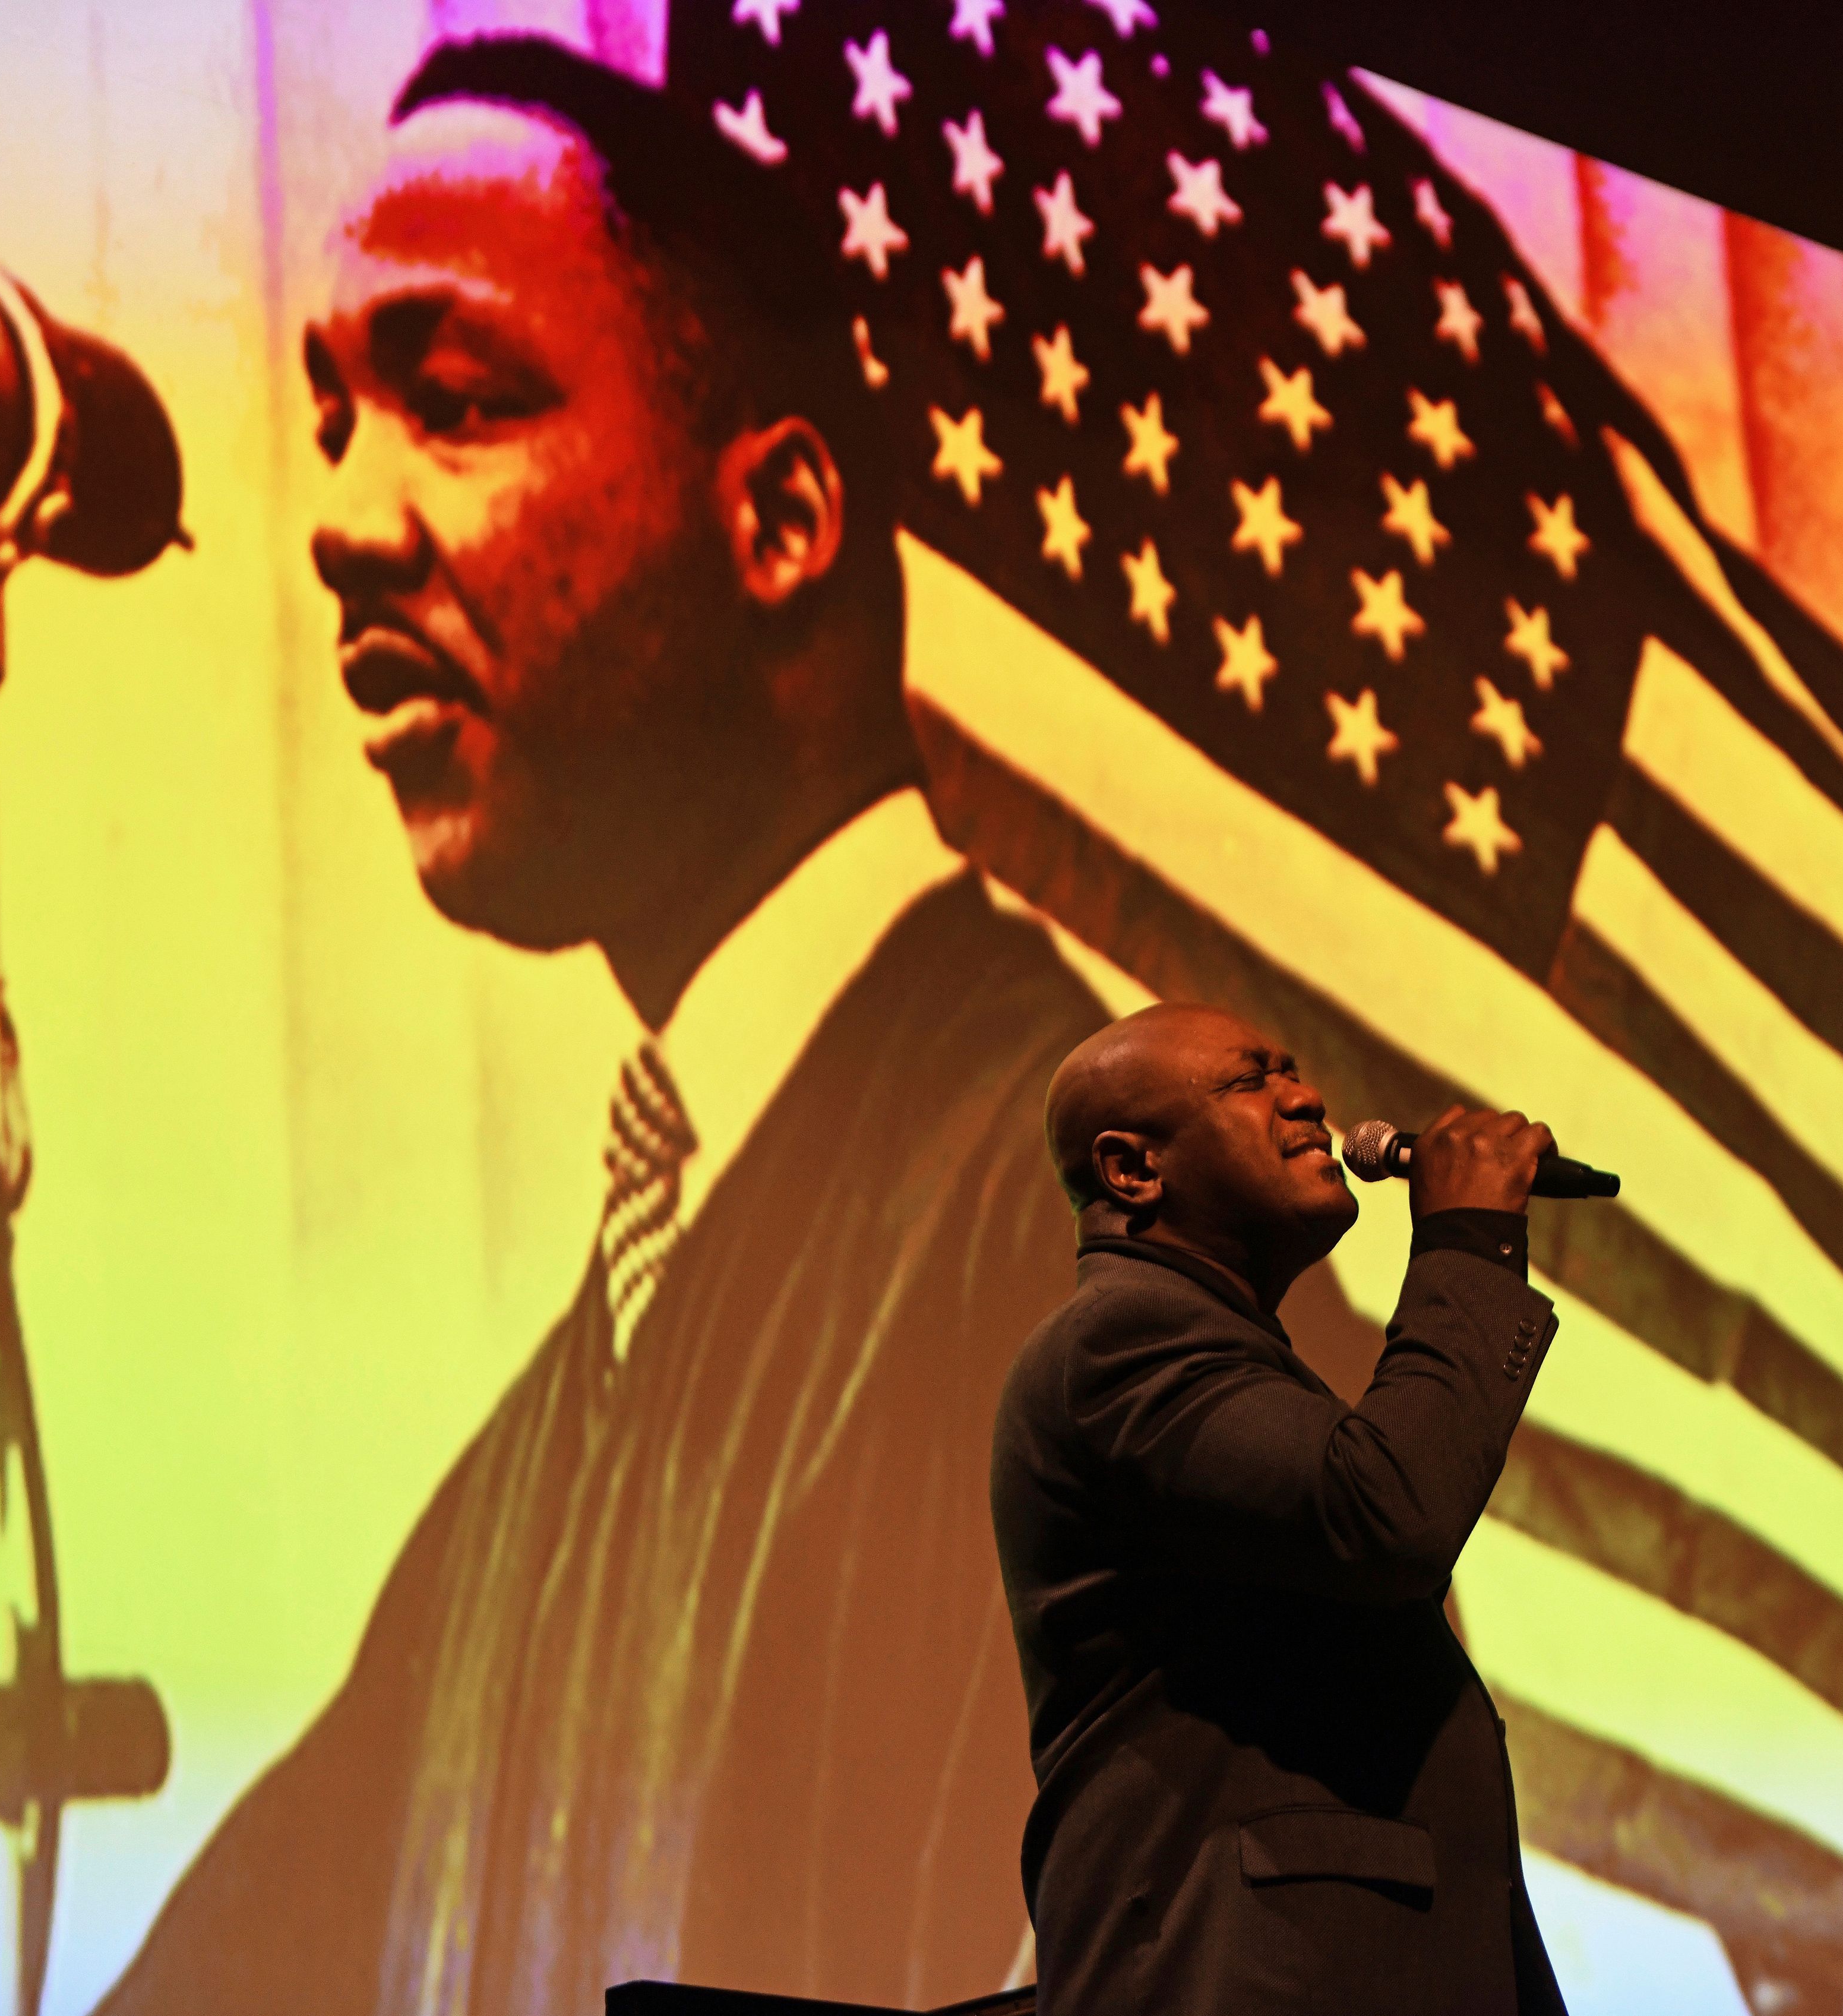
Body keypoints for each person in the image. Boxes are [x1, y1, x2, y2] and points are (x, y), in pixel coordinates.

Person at [94, 36, 1106, 2016]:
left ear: (785, 518)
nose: (342, 518)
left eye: (455, 402)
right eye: (332, 420)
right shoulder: (517, 1494)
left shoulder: (1099, 1245)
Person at [992, 1002, 1569, 2016]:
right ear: (1133, 1170)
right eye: (1252, 1080)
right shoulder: (1118, 1341)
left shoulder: (1216, 1352)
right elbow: (1386, 1511)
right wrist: (1468, 1245)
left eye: (1295, 1069)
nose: (1306, 1096)